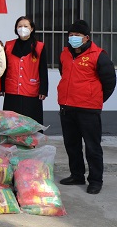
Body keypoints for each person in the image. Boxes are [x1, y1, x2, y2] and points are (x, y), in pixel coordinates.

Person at [57, 20, 116, 195]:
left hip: (88, 109)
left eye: (77, 35)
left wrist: (95, 99)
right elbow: (64, 73)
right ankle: (77, 175)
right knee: (72, 145)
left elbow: (110, 82)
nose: (73, 38)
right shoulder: (65, 54)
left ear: (86, 38)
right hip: (67, 106)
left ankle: (96, 180)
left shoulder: (98, 55)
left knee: (92, 147)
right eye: (71, 35)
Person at [2, 16, 48, 124]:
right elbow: (4, 67)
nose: (22, 28)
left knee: (30, 121)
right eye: (20, 26)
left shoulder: (39, 46)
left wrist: (43, 90)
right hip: (12, 88)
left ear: (31, 28)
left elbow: (43, 69)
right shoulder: (9, 45)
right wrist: (2, 87)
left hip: (31, 89)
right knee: (12, 122)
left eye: (26, 26)